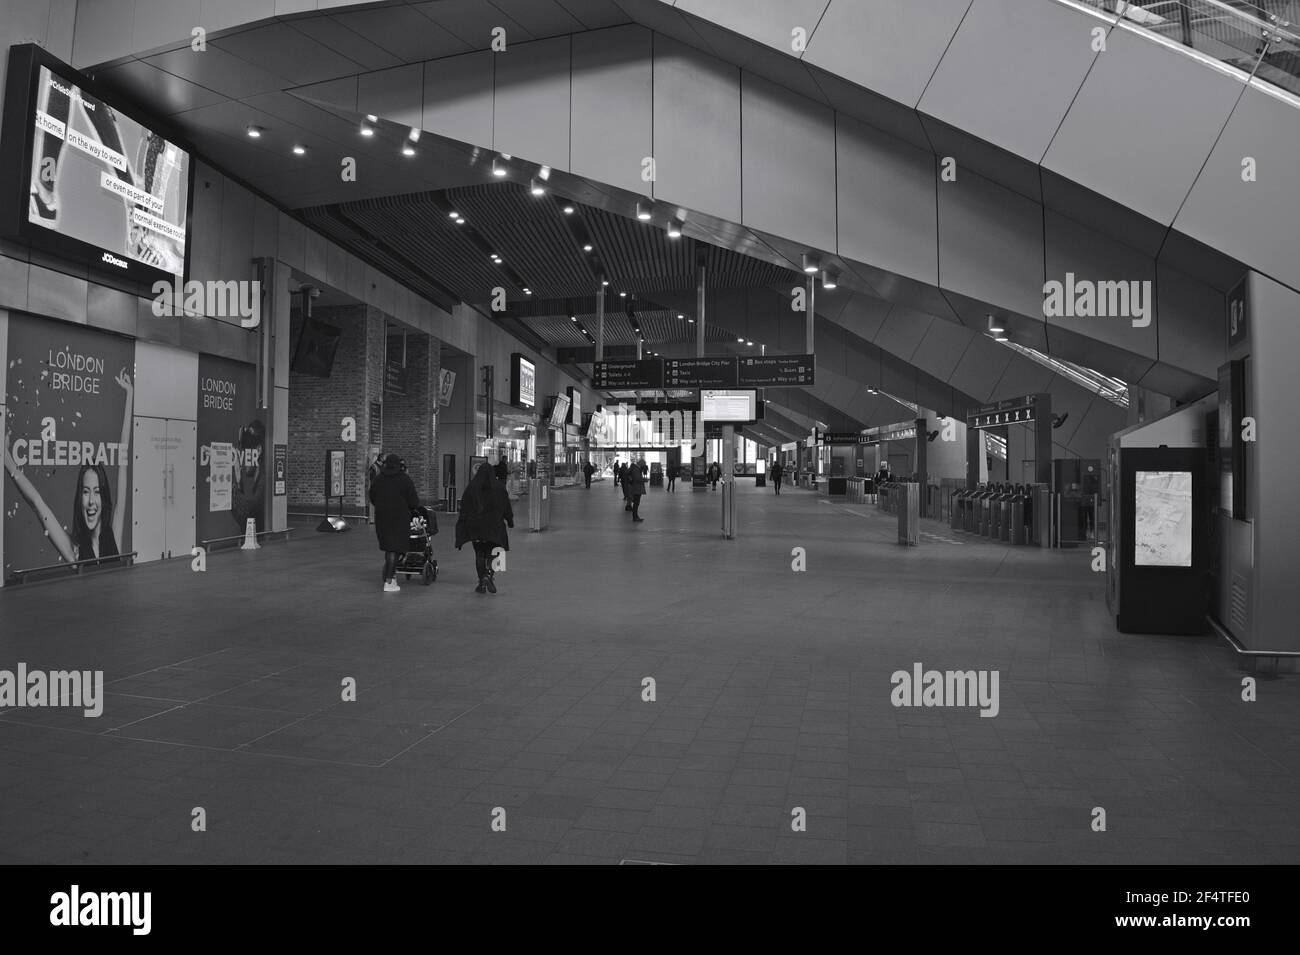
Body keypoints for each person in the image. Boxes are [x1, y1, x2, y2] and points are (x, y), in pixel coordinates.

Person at [3, 369, 132, 566]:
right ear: (79, 496)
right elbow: (37, 503)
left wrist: (129, 395)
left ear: (103, 498)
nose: (91, 502)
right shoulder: (75, 550)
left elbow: (123, 465)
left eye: (97, 492)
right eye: (86, 491)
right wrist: (7, 460)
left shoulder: (114, 533)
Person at [456, 463, 514, 594]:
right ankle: (489, 574)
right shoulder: (499, 487)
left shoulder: (471, 488)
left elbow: (464, 508)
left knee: (480, 554)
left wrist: (462, 526)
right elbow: (506, 506)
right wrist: (509, 520)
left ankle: (481, 583)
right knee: (497, 552)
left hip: (475, 528)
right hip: (494, 527)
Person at [368, 453, 420, 593]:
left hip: (382, 518)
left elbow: (372, 497)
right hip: (399, 518)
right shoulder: (404, 479)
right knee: (395, 548)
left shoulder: (379, 479)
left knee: (389, 547)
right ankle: (389, 581)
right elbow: (414, 501)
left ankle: (391, 576)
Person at [623, 456, 646, 523]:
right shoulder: (636, 469)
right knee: (636, 503)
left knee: (636, 503)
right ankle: (635, 517)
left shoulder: (635, 468)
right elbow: (637, 479)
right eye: (643, 464)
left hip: (635, 488)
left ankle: (635, 516)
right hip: (637, 488)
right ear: (641, 463)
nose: (644, 465)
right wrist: (644, 480)